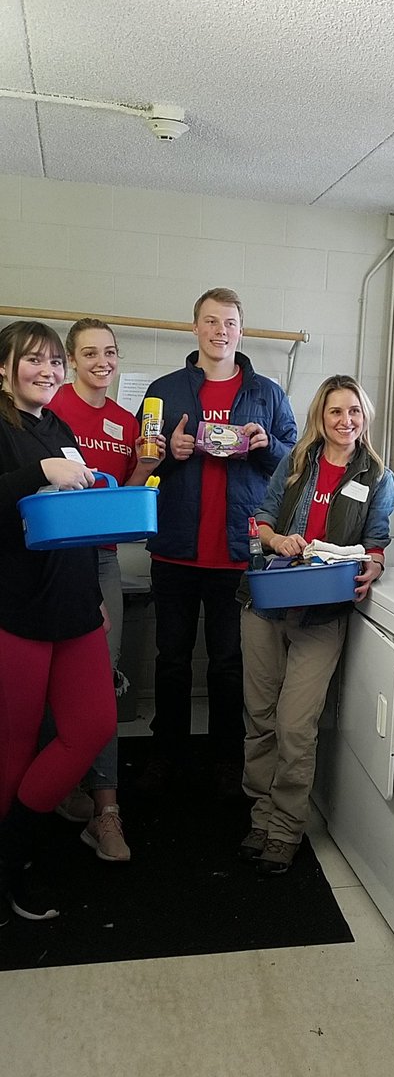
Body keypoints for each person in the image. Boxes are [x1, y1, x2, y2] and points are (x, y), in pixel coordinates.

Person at [137, 287, 297, 796]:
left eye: (229, 322)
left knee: (231, 663)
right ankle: (168, 753)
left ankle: (228, 757)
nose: (219, 331)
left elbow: (296, 466)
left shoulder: (267, 393)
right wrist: (169, 450)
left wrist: (265, 445)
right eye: (210, 321)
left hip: (238, 552)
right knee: (172, 658)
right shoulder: (164, 389)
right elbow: (140, 462)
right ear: (195, 328)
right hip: (175, 549)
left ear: (241, 330)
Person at [237, 374, 394, 875]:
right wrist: (276, 539)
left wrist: (372, 566)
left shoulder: (377, 476)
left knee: (295, 724)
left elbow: (376, 542)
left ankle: (285, 827)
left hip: (322, 611)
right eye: (335, 412)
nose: (346, 421)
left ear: (364, 416)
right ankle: (261, 816)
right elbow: (260, 517)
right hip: (267, 600)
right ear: (320, 419)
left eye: (354, 411)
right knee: (260, 718)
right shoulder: (297, 461)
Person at [0, 320, 117, 924]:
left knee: (91, 725)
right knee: (13, 749)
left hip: (74, 608)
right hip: (16, 610)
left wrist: (91, 590)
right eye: (32, 360)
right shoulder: (4, 427)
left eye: (52, 362)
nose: (46, 370)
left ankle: (11, 846)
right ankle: (15, 867)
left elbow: (70, 521)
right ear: (4, 369)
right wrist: (40, 473)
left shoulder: (59, 427)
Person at [48, 317, 165, 861]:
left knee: (101, 684)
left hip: (100, 562)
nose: (102, 361)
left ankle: (106, 812)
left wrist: (143, 468)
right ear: (70, 360)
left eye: (110, 352)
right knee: (48, 686)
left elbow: (123, 507)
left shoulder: (125, 421)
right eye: (90, 352)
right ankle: (58, 787)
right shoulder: (51, 412)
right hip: (48, 563)